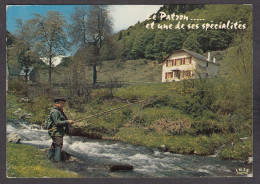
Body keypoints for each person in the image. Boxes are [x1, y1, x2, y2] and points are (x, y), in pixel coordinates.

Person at [46, 97, 74, 163]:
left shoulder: (59, 111)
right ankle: (56, 161)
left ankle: (49, 158)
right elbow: (57, 123)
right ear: (56, 103)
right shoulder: (55, 112)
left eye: (64, 103)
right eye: (62, 103)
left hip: (58, 132)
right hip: (56, 132)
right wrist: (67, 121)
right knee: (59, 145)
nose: (63, 104)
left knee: (54, 145)